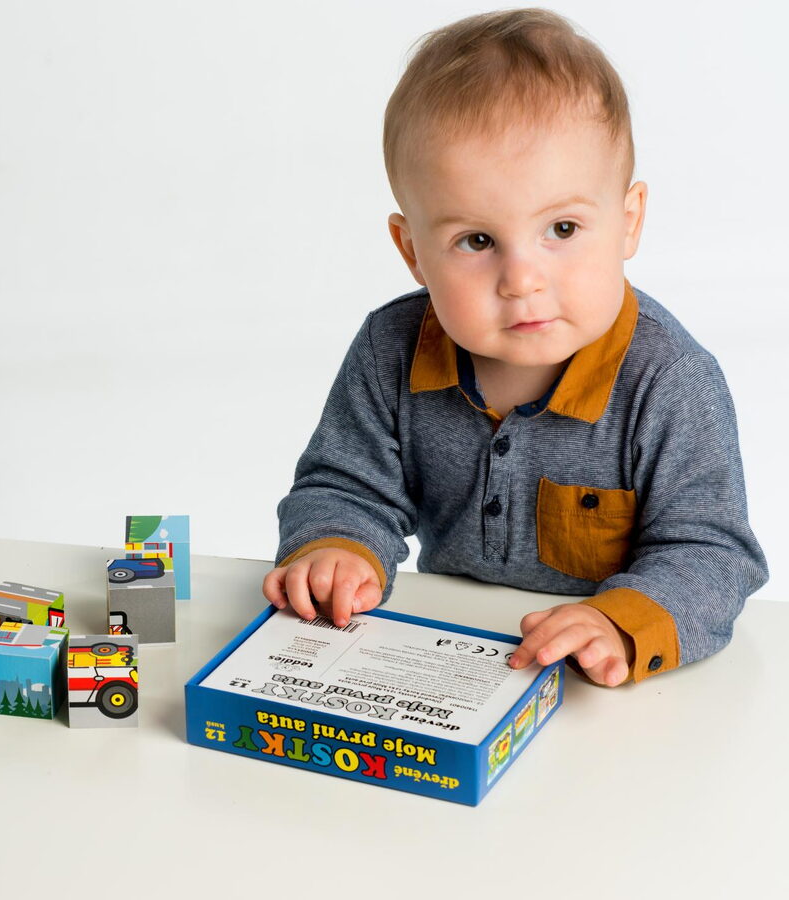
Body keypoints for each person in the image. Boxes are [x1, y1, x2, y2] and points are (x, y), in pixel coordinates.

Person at [262, 8, 767, 686]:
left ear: (628, 221)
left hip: (602, 682)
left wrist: (619, 622)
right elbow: (346, 485)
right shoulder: (392, 348)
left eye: (562, 228)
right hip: (449, 659)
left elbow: (711, 551)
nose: (522, 280)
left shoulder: (669, 378)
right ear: (413, 252)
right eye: (476, 241)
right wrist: (337, 548)